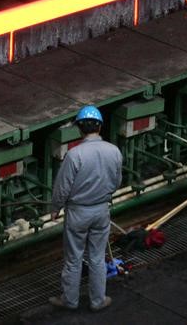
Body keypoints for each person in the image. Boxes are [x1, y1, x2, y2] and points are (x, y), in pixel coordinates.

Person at [49, 105, 123, 312]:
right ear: (99, 126)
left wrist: (55, 207)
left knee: (74, 258)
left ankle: (69, 300)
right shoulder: (113, 151)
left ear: (80, 129)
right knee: (98, 257)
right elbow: (117, 182)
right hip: (101, 211)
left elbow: (63, 187)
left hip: (78, 213)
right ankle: (98, 301)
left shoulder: (74, 155)